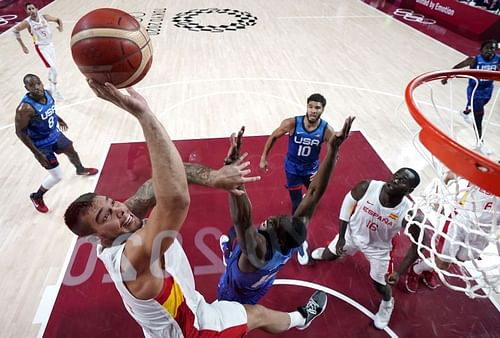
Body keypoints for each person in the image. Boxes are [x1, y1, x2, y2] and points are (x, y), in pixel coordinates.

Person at [64, 80, 328, 337]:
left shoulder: (121, 223)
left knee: (252, 311)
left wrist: (213, 177)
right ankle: (301, 318)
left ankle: (299, 318)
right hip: (196, 328)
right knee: (256, 314)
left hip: (171, 321)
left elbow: (157, 184)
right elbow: (175, 198)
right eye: (106, 215)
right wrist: (144, 115)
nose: (119, 209)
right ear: (97, 235)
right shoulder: (130, 258)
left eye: (112, 202)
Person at [218, 117, 354, 305]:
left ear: (279, 238)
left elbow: (242, 219)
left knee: (236, 238)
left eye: (273, 223)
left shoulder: (258, 250)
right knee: (237, 240)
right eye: (278, 218)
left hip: (233, 292)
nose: (270, 218)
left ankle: (229, 255)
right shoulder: (289, 239)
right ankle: (230, 252)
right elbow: (314, 192)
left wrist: (233, 172)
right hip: (260, 287)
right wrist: (333, 149)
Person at [310, 168, 423, 330]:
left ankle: (387, 303)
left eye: (403, 181)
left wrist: (399, 272)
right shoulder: (367, 187)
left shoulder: (409, 213)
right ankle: (327, 251)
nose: (396, 180)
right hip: (352, 234)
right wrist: (342, 236)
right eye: (396, 176)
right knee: (328, 255)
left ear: (409, 191)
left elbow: (418, 244)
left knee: (380, 285)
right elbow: (347, 206)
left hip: (379, 248)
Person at [259, 93, 334, 264]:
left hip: (311, 170)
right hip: (292, 169)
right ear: (306, 106)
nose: (313, 110)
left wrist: (322, 170)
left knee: (313, 198)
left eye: (317, 108)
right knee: (296, 206)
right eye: (311, 106)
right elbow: (273, 136)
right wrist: (264, 157)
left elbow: (333, 153)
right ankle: (299, 238)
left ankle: (307, 201)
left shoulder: (326, 130)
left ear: (323, 110)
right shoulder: (292, 123)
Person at [404, 171, 499, 293]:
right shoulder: (484, 173)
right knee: (443, 263)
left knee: (460, 258)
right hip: (459, 222)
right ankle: (417, 268)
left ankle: (430, 267)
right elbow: (451, 174)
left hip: (483, 232)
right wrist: (437, 197)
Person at [15, 74, 98, 213]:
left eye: (38, 83)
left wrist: (58, 119)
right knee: (57, 176)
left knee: (72, 151)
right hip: (41, 144)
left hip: (54, 134)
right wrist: (37, 153)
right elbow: (20, 133)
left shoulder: (47, 93)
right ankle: (37, 196)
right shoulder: (24, 109)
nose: (36, 88)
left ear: (41, 83)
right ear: (26, 88)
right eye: (32, 86)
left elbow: (50, 111)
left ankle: (80, 169)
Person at [441, 39, 499, 155]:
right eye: (488, 48)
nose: (490, 51)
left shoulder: (498, 58)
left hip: (488, 89)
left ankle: (466, 112)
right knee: (479, 118)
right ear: (481, 49)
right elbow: (457, 67)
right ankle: (480, 143)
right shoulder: (474, 59)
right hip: (475, 91)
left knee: (478, 108)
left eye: (493, 48)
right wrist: (446, 77)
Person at [13, 2, 63, 99]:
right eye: (29, 9)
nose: (31, 11)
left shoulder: (45, 17)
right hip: (41, 47)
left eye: (32, 8)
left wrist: (60, 26)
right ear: (27, 11)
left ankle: (50, 88)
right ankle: (55, 90)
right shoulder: (27, 22)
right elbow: (15, 30)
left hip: (50, 45)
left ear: (36, 8)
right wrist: (23, 46)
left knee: (52, 69)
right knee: (54, 70)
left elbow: (58, 19)